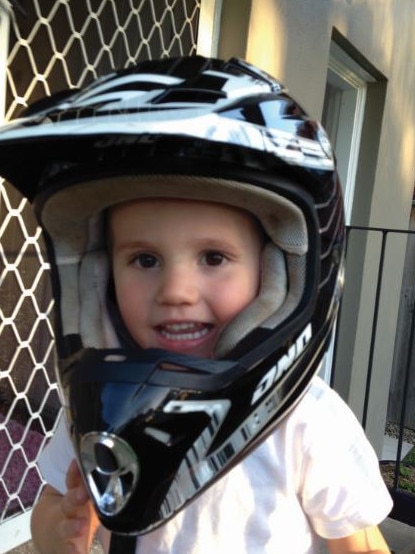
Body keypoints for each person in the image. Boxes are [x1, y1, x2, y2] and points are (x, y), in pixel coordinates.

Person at [0, 56, 392, 553]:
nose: (176, 291)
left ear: (278, 273)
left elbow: (360, 545)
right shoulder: (98, 405)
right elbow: (51, 509)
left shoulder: (307, 421)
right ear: (99, 275)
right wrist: (61, 530)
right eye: (144, 259)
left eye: (213, 257)